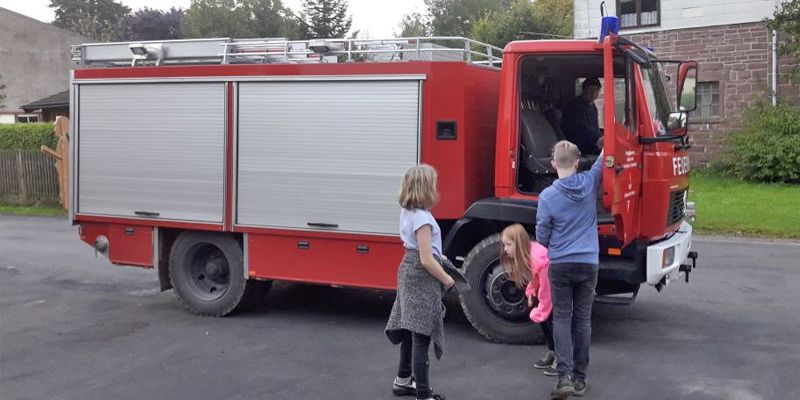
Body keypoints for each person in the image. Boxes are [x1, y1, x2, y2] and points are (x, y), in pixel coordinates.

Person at [535, 141, 604, 399]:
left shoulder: (547, 197)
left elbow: (542, 236)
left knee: (562, 317)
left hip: (561, 263)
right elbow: (602, 161)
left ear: (553, 165)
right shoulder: (589, 183)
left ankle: (563, 377)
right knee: (582, 319)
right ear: (577, 162)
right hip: (588, 262)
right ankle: (580, 379)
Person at [385, 164, 455, 400]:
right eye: (433, 184)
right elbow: (426, 259)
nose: (436, 188)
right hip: (420, 276)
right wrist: (447, 279)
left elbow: (418, 250)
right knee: (421, 335)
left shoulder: (408, 211)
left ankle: (403, 380)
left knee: (409, 328)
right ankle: (424, 394)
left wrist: (439, 255)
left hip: (407, 270)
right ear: (425, 188)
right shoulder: (423, 218)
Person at [499, 223, 556, 377]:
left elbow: (547, 290)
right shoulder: (529, 254)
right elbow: (535, 278)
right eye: (504, 245)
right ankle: (553, 351)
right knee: (546, 322)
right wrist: (531, 291)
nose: (505, 249)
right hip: (547, 288)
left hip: (555, 290)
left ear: (519, 244)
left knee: (552, 322)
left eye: (508, 245)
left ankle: (561, 357)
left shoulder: (539, 260)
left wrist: (541, 311)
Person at [561, 78, 602, 156]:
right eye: (591, 90)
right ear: (584, 90)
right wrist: (597, 141)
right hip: (580, 148)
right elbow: (580, 130)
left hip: (593, 145)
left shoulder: (592, 107)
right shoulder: (573, 107)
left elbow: (594, 129)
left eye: (596, 90)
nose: (593, 93)